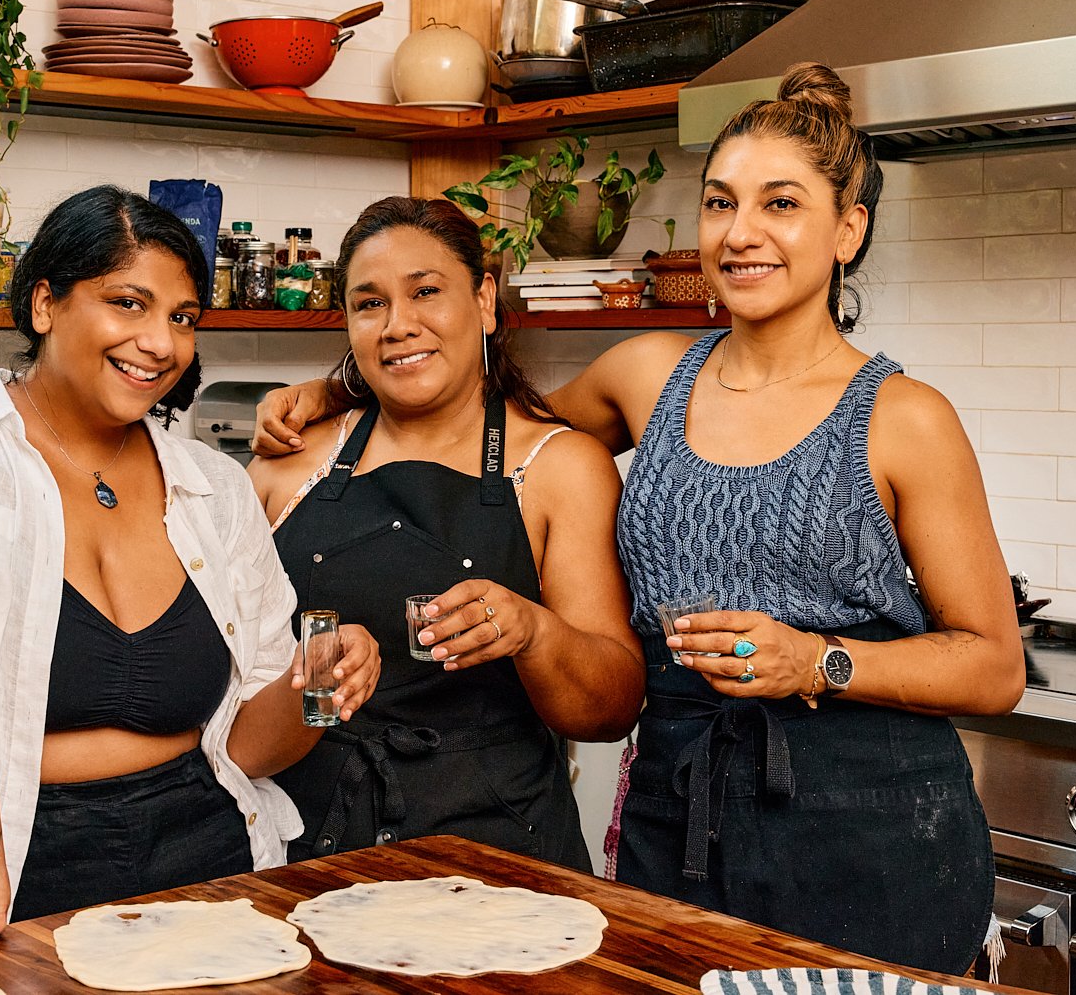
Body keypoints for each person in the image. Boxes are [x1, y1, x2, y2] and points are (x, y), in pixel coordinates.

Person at [252, 66, 1022, 976]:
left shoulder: (902, 416)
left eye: (781, 205)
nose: (741, 234)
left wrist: (816, 659)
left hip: (870, 819)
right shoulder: (648, 376)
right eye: (720, 203)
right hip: (679, 805)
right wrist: (338, 390)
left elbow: (993, 664)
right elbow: (484, 421)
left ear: (847, 229)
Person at [0, 185, 380, 954]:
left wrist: (319, 687)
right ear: (45, 302)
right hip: (3, 848)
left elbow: (246, 745)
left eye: (182, 317)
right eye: (128, 303)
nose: (160, 342)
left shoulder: (213, 487)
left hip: (199, 856)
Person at [248, 196, 644, 872]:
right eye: (369, 305)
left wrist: (532, 631)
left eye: (426, 292)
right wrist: (313, 680)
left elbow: (613, 706)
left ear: (485, 300)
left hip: (503, 852)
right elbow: (228, 690)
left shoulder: (560, 466)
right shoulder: (287, 464)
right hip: (307, 847)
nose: (399, 325)